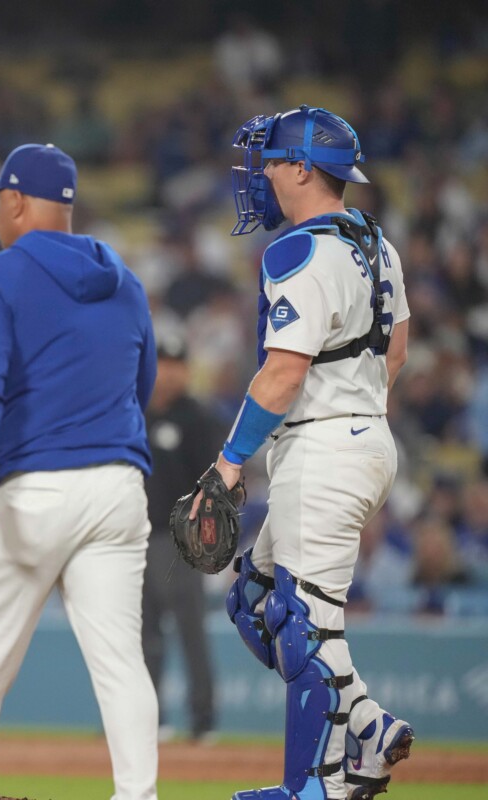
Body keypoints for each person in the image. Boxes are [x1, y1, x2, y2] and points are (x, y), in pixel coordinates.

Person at [0, 143, 159, 800]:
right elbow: (143, 381)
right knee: (122, 663)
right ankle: (139, 795)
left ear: (14, 201)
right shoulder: (124, 280)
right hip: (118, 487)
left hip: (33, 490)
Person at [211, 106, 414, 800]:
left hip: (326, 447)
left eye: (269, 161)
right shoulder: (377, 245)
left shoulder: (296, 251)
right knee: (254, 600)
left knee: (302, 627)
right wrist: (355, 413)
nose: (260, 174)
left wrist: (231, 459)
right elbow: (400, 353)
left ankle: (314, 788)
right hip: (362, 436)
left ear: (301, 168)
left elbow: (283, 372)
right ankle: (370, 726)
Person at [141, 332, 218, 742]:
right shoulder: (136, 412)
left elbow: (213, 486)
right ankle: (150, 719)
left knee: (192, 634)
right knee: (144, 636)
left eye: (175, 366)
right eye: (162, 365)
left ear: (186, 371)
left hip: (182, 542)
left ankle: (203, 721)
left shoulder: (197, 418)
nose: (168, 374)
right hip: (136, 538)